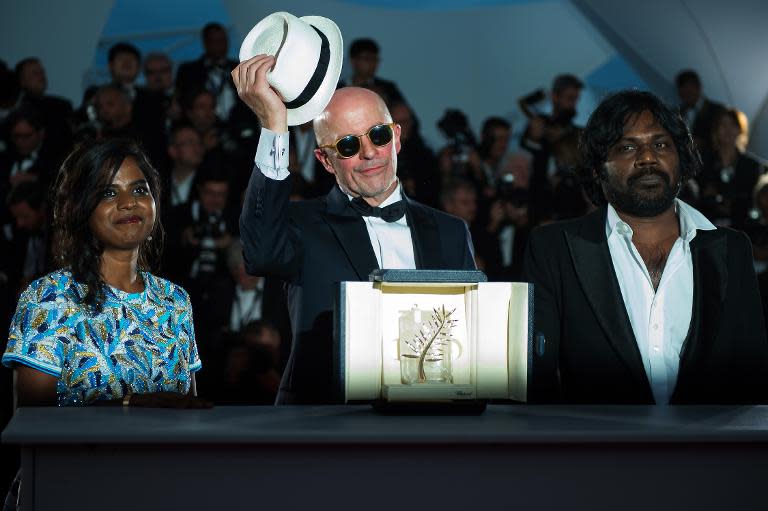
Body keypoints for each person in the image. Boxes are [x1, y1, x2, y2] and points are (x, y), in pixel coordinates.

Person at [232, 55, 476, 404]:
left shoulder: (451, 230)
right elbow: (260, 253)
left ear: (397, 137)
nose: (369, 153)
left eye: (378, 135)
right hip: (322, 424)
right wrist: (274, 124)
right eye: (347, 145)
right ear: (325, 160)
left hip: (430, 421)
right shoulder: (301, 224)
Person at [522, 90, 768, 405]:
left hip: (707, 452)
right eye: (627, 147)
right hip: (598, 450)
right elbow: (536, 382)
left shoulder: (731, 249)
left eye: (661, 144)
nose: (648, 158)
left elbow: (753, 376)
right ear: (598, 169)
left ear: (681, 159)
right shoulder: (554, 249)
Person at [2, 138, 209, 408]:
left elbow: (189, 412)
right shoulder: (48, 298)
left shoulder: (174, 300)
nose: (128, 203)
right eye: (109, 193)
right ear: (81, 208)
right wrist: (129, 406)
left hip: (169, 452)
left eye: (139, 190)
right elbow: (32, 423)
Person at [676, 69, 726, 155]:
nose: (687, 94)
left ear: (699, 87)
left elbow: (724, 139)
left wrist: (703, 143)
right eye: (683, 91)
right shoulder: (677, 112)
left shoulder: (717, 111)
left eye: (690, 90)